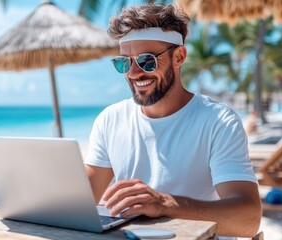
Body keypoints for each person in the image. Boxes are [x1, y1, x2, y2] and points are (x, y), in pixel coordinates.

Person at [84, 4, 261, 238]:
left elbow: (248, 220)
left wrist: (166, 205)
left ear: (179, 57)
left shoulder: (218, 122)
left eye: (147, 61)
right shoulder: (110, 120)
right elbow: (82, 203)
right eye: (125, 63)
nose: (134, 73)